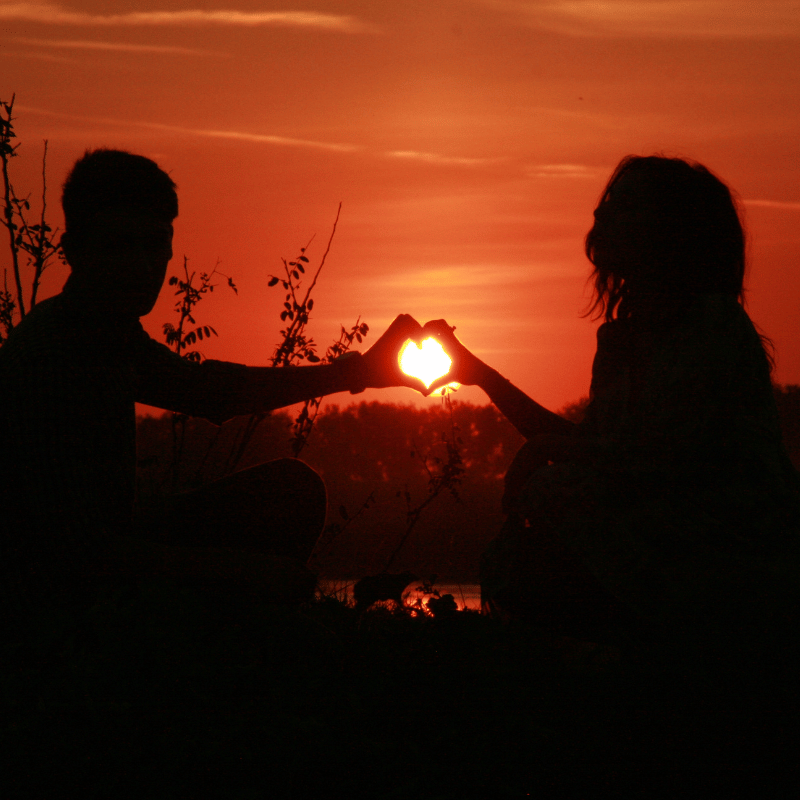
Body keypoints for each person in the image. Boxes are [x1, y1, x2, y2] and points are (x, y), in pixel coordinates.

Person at [0, 148, 426, 615]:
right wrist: (239, 570)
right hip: (56, 595)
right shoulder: (51, 355)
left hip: (104, 555)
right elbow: (74, 551)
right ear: (74, 249)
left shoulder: (108, 332)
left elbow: (210, 392)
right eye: (122, 244)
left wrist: (356, 373)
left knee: (290, 490)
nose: (144, 265)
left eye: (156, 244)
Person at [423, 155, 800, 643]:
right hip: (667, 532)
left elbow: (661, 459)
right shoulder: (625, 338)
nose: (601, 213)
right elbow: (598, 448)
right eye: (609, 201)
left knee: (551, 495)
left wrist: (546, 454)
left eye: (626, 204)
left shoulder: (713, 327)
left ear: (668, 230)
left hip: (736, 544)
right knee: (517, 549)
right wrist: (480, 375)